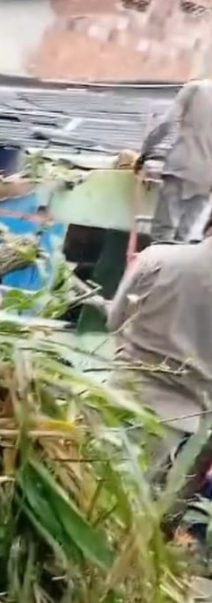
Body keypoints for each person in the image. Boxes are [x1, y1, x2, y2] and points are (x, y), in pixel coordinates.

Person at [101, 210, 212, 478]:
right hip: (175, 420)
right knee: (121, 500)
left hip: (121, 394)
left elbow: (115, 320)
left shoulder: (158, 258)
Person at [136, 79, 212, 243]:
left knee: (162, 236)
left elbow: (167, 124)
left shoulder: (195, 89)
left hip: (181, 167)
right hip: (207, 180)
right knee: (184, 238)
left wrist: (146, 151)